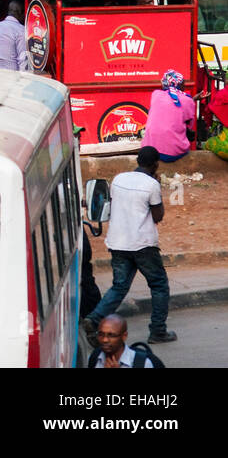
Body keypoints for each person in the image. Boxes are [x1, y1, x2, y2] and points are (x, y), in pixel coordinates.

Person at [83, 146, 176, 344]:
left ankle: (94, 318)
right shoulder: (151, 185)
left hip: (118, 242)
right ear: (155, 164)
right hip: (142, 244)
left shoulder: (119, 179)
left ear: (138, 161)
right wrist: (157, 185)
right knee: (159, 286)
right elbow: (158, 216)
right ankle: (158, 330)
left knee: (119, 286)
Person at [145, 70, 195, 163]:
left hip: (150, 149)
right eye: (184, 83)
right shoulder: (187, 100)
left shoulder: (156, 95)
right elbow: (190, 125)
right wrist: (192, 101)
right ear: (180, 85)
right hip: (171, 153)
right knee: (189, 133)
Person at [86, 314, 156, 369]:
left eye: (111, 335)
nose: (105, 340)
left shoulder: (143, 363)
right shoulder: (95, 358)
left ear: (124, 336)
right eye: (101, 334)